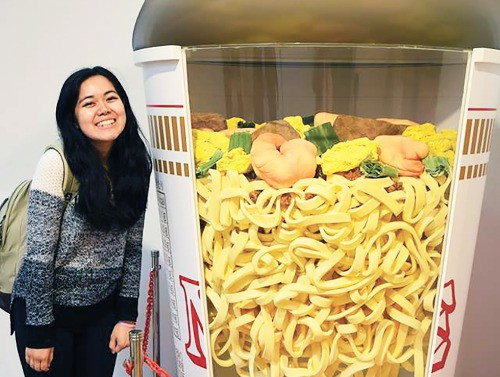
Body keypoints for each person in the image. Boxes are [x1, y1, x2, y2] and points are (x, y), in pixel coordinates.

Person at [10, 66, 152, 377]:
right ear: (73, 117)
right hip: (47, 314)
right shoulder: (56, 164)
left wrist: (127, 317)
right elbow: (38, 259)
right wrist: (38, 335)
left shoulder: (136, 164)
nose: (104, 109)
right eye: (88, 103)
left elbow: (132, 248)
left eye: (111, 98)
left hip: (101, 313)